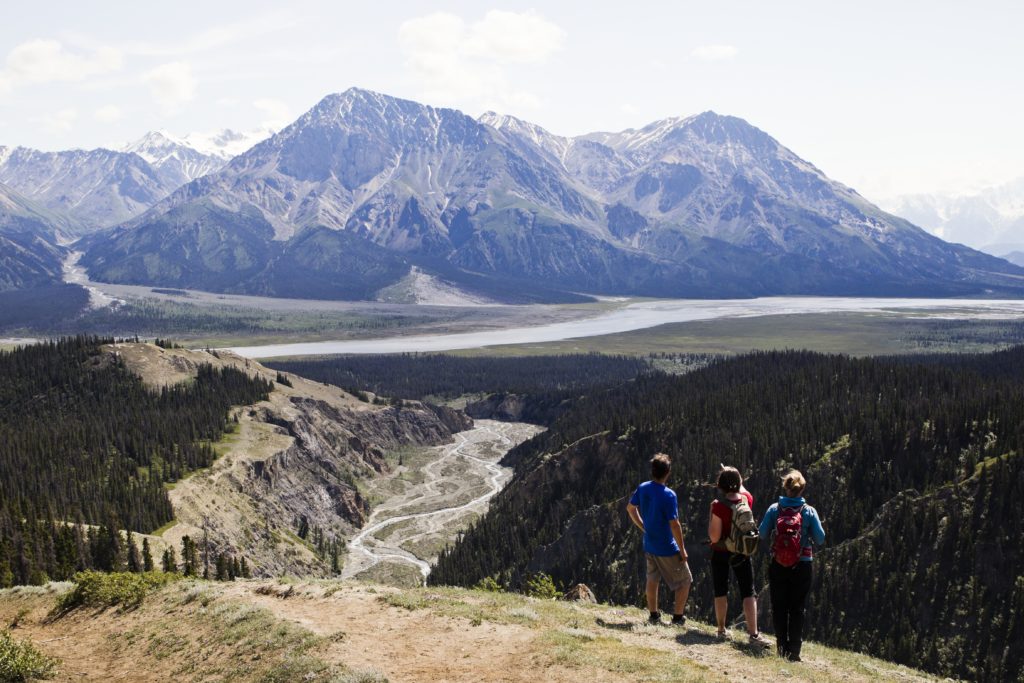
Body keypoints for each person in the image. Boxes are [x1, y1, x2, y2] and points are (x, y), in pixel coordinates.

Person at [758, 469, 825, 662]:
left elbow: (762, 534)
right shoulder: (809, 511)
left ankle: (781, 648)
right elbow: (820, 539)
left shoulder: (774, 509)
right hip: (802, 565)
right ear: (802, 488)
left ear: (785, 488)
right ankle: (794, 652)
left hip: (778, 564)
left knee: (779, 607)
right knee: (797, 608)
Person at [707, 465, 771, 648]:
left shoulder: (719, 507)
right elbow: (741, 487)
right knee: (748, 591)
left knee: (721, 590)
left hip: (721, 553)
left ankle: (721, 630)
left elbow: (714, 537)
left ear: (720, 486)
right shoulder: (747, 499)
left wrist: (711, 512)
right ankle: (754, 634)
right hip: (742, 552)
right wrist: (733, 473)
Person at [627, 453, 692, 626]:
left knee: (652, 579)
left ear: (653, 471)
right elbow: (675, 525)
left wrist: (643, 527)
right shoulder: (669, 495)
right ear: (668, 472)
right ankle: (677, 618)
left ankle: (654, 615)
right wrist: (682, 549)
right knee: (685, 581)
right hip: (666, 547)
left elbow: (630, 508)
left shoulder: (643, 488)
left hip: (649, 544)